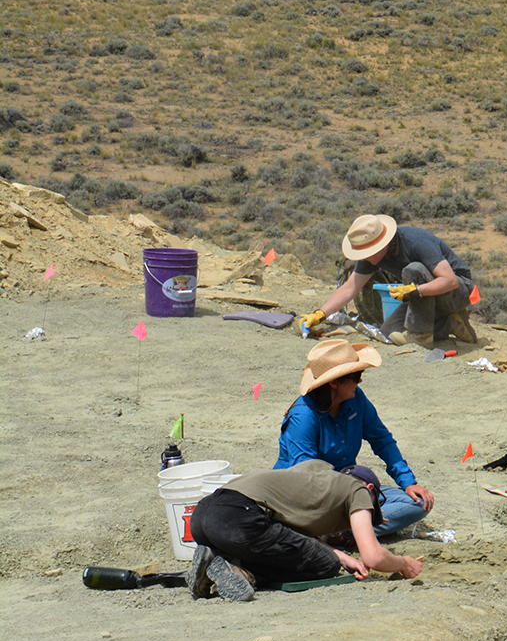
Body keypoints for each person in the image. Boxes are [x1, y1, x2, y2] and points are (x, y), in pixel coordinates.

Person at [186, 460, 424, 602]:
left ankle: (217, 560)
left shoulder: (316, 472)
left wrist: (342, 555)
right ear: (370, 489)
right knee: (325, 565)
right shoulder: (358, 490)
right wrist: (404, 564)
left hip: (204, 514)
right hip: (241, 517)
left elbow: (289, 535)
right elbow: (373, 556)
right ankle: (241, 571)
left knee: (322, 556)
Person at [273, 340, 435, 540]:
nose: (360, 382)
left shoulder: (356, 398)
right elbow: (307, 480)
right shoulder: (304, 417)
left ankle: (345, 532)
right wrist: (357, 507)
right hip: (310, 500)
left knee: (416, 502)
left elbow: (382, 440)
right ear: (334, 382)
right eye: (356, 377)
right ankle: (353, 531)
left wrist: (408, 482)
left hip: (346, 489)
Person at [300, 214, 478, 345]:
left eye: (367, 253)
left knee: (414, 269)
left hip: (458, 291)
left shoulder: (416, 242)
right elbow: (350, 288)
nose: (365, 258)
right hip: (426, 295)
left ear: (383, 244)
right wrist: (320, 314)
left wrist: (416, 291)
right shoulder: (374, 256)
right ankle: (449, 323)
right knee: (388, 332)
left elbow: (450, 280)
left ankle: (421, 336)